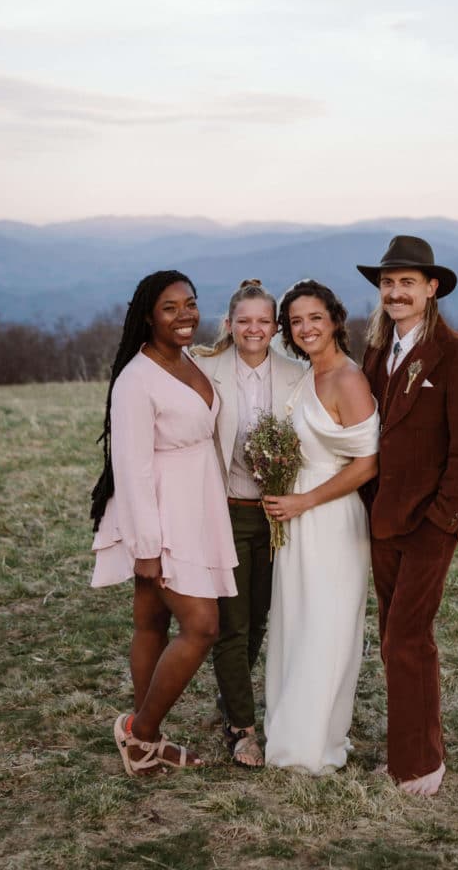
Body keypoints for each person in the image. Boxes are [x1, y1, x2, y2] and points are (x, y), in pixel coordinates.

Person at [357, 235, 458, 796]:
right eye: (388, 283)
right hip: (382, 519)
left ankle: (419, 765)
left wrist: (444, 516)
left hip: (430, 524)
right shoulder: (373, 353)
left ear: (432, 289)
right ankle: (409, 749)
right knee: (394, 632)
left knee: (406, 639)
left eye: (407, 282)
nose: (396, 292)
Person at [90, 270, 238, 777]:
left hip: (196, 506)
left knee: (151, 622)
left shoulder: (191, 359)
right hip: (160, 515)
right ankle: (140, 733)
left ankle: (149, 742)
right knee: (201, 626)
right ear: (148, 316)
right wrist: (146, 547)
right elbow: (131, 469)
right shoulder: (137, 379)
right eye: (170, 307)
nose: (184, 315)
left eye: (190, 304)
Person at [262, 280, 379, 774]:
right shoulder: (305, 376)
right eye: (295, 321)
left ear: (334, 319)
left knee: (326, 629)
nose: (306, 328)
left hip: (330, 518)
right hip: (295, 519)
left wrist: (305, 499)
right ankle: (289, 733)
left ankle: (315, 746)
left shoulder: (348, 379)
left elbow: (367, 463)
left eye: (315, 317)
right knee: (295, 624)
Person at [191, 280, 306, 767]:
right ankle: (241, 727)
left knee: (261, 618)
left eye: (263, 321)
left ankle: (228, 695)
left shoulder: (298, 374)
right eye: (244, 321)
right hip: (227, 513)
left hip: (280, 517)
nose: (253, 329)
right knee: (232, 627)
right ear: (230, 325)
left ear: (276, 328)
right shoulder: (202, 369)